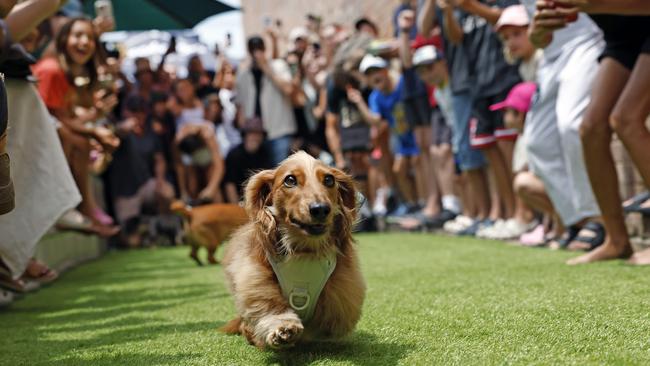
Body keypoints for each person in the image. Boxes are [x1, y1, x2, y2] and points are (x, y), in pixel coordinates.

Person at [553, 4, 650, 264]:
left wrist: (589, 4)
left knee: (626, 119)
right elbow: (537, 39)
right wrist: (543, 26)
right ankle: (616, 240)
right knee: (590, 128)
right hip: (624, 39)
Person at [419, 0, 521, 237]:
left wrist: (471, 6)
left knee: (507, 152)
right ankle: (502, 214)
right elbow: (456, 38)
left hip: (501, 77)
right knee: (487, 153)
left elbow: (507, 18)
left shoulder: (476, 6)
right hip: (477, 83)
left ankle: (515, 213)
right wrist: (448, 11)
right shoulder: (457, 9)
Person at [521, 0, 606, 251]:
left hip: (587, 41)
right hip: (550, 56)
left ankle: (598, 218)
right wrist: (535, 35)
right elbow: (535, 37)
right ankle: (577, 220)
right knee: (537, 143)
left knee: (571, 124)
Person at [32, 16, 120, 234]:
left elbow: (63, 118)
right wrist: (95, 131)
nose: (85, 42)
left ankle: (82, 207)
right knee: (78, 141)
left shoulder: (64, 72)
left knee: (80, 140)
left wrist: (95, 116)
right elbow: (52, 121)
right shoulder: (51, 70)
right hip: (30, 138)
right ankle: (76, 207)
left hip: (45, 133)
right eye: (78, 35)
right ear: (62, 40)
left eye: (90, 37)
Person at [353, 54, 420, 215]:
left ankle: (423, 202)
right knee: (399, 170)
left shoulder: (402, 83)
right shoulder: (375, 97)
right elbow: (375, 121)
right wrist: (358, 102)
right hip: (402, 139)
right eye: (368, 74)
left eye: (376, 70)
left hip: (417, 133)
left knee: (418, 167)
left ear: (385, 70)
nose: (373, 76)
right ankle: (412, 204)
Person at [107, 95, 174, 231]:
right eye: (134, 111)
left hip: (146, 185)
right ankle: (141, 231)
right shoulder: (118, 130)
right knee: (131, 238)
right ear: (126, 112)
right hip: (124, 191)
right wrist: (124, 127)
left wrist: (160, 181)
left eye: (141, 112)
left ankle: (164, 227)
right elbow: (118, 131)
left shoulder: (151, 132)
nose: (138, 115)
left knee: (166, 192)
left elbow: (159, 159)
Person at [411, 45, 461, 227]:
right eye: (422, 71)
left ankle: (458, 207)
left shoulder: (456, 85)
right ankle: (451, 205)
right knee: (437, 152)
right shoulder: (439, 91)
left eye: (430, 67)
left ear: (442, 63)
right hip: (457, 133)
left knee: (445, 152)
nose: (428, 75)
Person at [236, 35, 296, 166]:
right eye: (253, 49)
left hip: (279, 132)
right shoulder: (243, 75)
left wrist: (267, 69)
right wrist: (244, 133)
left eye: (259, 48)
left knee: (282, 174)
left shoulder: (278, 66)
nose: (256, 52)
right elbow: (240, 107)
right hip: (254, 135)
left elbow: (288, 89)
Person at [223, 117, 273, 203]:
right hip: (237, 199)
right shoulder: (234, 155)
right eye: (251, 133)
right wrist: (235, 208)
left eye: (258, 134)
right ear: (245, 135)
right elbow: (229, 184)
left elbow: (268, 181)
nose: (255, 137)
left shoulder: (265, 153)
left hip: (257, 199)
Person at [174, 123, 224, 203]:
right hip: (193, 167)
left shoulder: (207, 135)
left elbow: (219, 166)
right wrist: (183, 191)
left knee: (213, 186)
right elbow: (179, 167)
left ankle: (220, 211)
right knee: (192, 186)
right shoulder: (178, 142)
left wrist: (211, 188)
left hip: (210, 165)